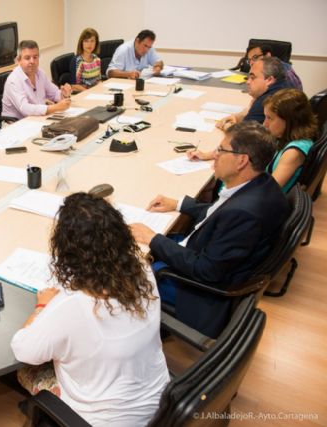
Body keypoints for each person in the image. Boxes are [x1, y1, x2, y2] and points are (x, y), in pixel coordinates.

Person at [11, 193, 169, 427]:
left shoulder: (72, 305)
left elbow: (23, 351)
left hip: (102, 421)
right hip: (160, 403)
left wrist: (42, 305)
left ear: (66, 251)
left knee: (26, 371)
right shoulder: (142, 270)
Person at [131, 122, 289, 338]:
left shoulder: (244, 214)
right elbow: (220, 211)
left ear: (242, 160)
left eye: (221, 150)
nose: (214, 155)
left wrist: (152, 238)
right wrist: (179, 204)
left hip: (198, 291)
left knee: (124, 269)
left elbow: (206, 270)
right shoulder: (261, 184)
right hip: (204, 250)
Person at [189, 88, 318, 193]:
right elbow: (249, 147)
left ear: (289, 120)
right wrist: (210, 155)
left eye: (270, 118)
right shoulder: (282, 136)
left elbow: (269, 190)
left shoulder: (293, 152)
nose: (265, 123)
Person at [2, 40, 72, 120]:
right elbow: (25, 108)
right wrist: (55, 107)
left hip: (37, 119)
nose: (32, 61)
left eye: (35, 57)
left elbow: (54, 93)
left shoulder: (40, 73)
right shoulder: (13, 80)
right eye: (27, 58)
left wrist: (63, 94)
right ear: (19, 60)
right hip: (16, 125)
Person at [216, 57, 289, 129]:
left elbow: (242, 135)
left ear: (269, 80)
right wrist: (236, 117)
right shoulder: (283, 86)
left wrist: (227, 126)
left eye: (253, 78)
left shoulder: (268, 100)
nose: (248, 82)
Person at [69, 28, 102, 92]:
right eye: (86, 41)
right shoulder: (77, 61)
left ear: (96, 43)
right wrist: (88, 92)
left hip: (94, 93)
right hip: (81, 94)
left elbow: (98, 80)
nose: (89, 44)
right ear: (81, 43)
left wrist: (100, 87)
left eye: (92, 41)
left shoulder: (97, 59)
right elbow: (73, 85)